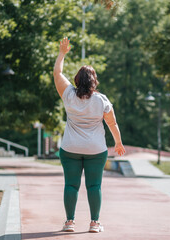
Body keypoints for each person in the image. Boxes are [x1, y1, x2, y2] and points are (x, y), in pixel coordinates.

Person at [53, 37, 125, 233]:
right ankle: (94, 223)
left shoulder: (68, 94)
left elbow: (57, 72)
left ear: (77, 80)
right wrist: (118, 143)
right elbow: (112, 123)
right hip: (96, 150)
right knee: (94, 186)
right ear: (95, 81)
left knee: (71, 185)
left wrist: (62, 53)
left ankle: (69, 222)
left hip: (70, 148)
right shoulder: (102, 100)